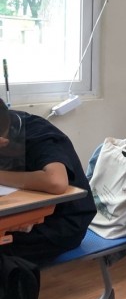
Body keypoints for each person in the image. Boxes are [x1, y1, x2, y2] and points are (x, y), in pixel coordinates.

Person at [0, 100, 96, 264]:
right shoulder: (6, 124)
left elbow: (56, 182)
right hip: (22, 214)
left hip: (61, 223)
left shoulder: (38, 133)